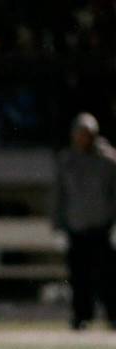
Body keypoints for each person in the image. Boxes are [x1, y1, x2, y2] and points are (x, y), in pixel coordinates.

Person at [52, 112, 116, 330]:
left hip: (102, 228)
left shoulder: (108, 160)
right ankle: (81, 316)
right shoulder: (66, 161)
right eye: (80, 133)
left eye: (87, 134)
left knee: (107, 276)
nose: (83, 138)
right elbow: (58, 196)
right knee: (79, 278)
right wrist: (58, 227)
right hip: (76, 228)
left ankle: (112, 315)